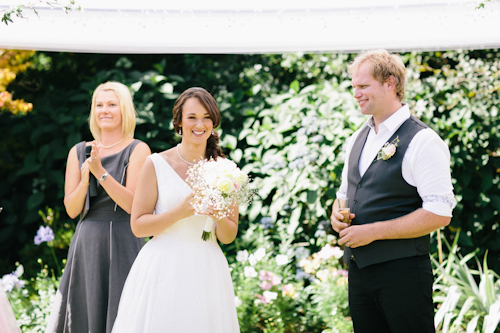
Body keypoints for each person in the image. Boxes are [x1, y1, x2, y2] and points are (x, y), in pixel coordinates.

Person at [330, 50, 456, 333]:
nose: (356, 94)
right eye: (354, 87)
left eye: (363, 86)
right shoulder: (356, 138)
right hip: (360, 274)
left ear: (390, 83)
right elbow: (345, 193)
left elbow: (439, 213)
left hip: (404, 275)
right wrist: (336, 214)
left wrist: (372, 231)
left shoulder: (423, 140)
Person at [111, 87, 240, 333]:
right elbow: (138, 226)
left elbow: (228, 235)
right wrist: (179, 212)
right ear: (179, 122)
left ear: (213, 123)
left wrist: (218, 217)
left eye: (206, 117)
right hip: (163, 267)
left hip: (206, 268)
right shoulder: (156, 164)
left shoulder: (226, 170)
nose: (199, 124)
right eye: (192, 117)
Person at [46, 81, 151, 333]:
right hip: (87, 243)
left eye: (112, 105)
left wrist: (101, 173)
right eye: (99, 105)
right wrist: (84, 182)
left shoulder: (138, 150)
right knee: (83, 312)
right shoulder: (78, 151)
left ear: (124, 110)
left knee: (124, 312)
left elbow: (133, 205)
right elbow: (72, 210)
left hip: (125, 240)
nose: (104, 110)